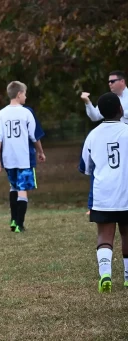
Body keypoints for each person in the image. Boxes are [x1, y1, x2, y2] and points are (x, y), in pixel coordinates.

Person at [79, 92, 128, 293]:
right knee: (127, 235)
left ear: (100, 112)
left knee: (105, 237)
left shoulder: (93, 135)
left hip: (103, 196)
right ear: (121, 109)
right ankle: (127, 277)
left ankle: (105, 274)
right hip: (126, 195)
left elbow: (85, 168)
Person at [0, 81, 46, 233]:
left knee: (14, 187)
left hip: (8, 159)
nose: (26, 97)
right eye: (25, 94)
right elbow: (34, 136)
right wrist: (40, 152)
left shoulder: (1, 114)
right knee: (22, 190)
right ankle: (19, 224)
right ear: (19, 94)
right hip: (24, 159)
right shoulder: (27, 112)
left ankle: (13, 221)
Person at [81, 70, 128, 215]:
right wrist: (87, 102)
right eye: (108, 82)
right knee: (99, 168)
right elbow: (96, 116)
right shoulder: (111, 100)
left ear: (122, 81)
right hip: (110, 138)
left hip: (124, 139)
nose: (109, 84)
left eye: (112, 81)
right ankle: (94, 205)